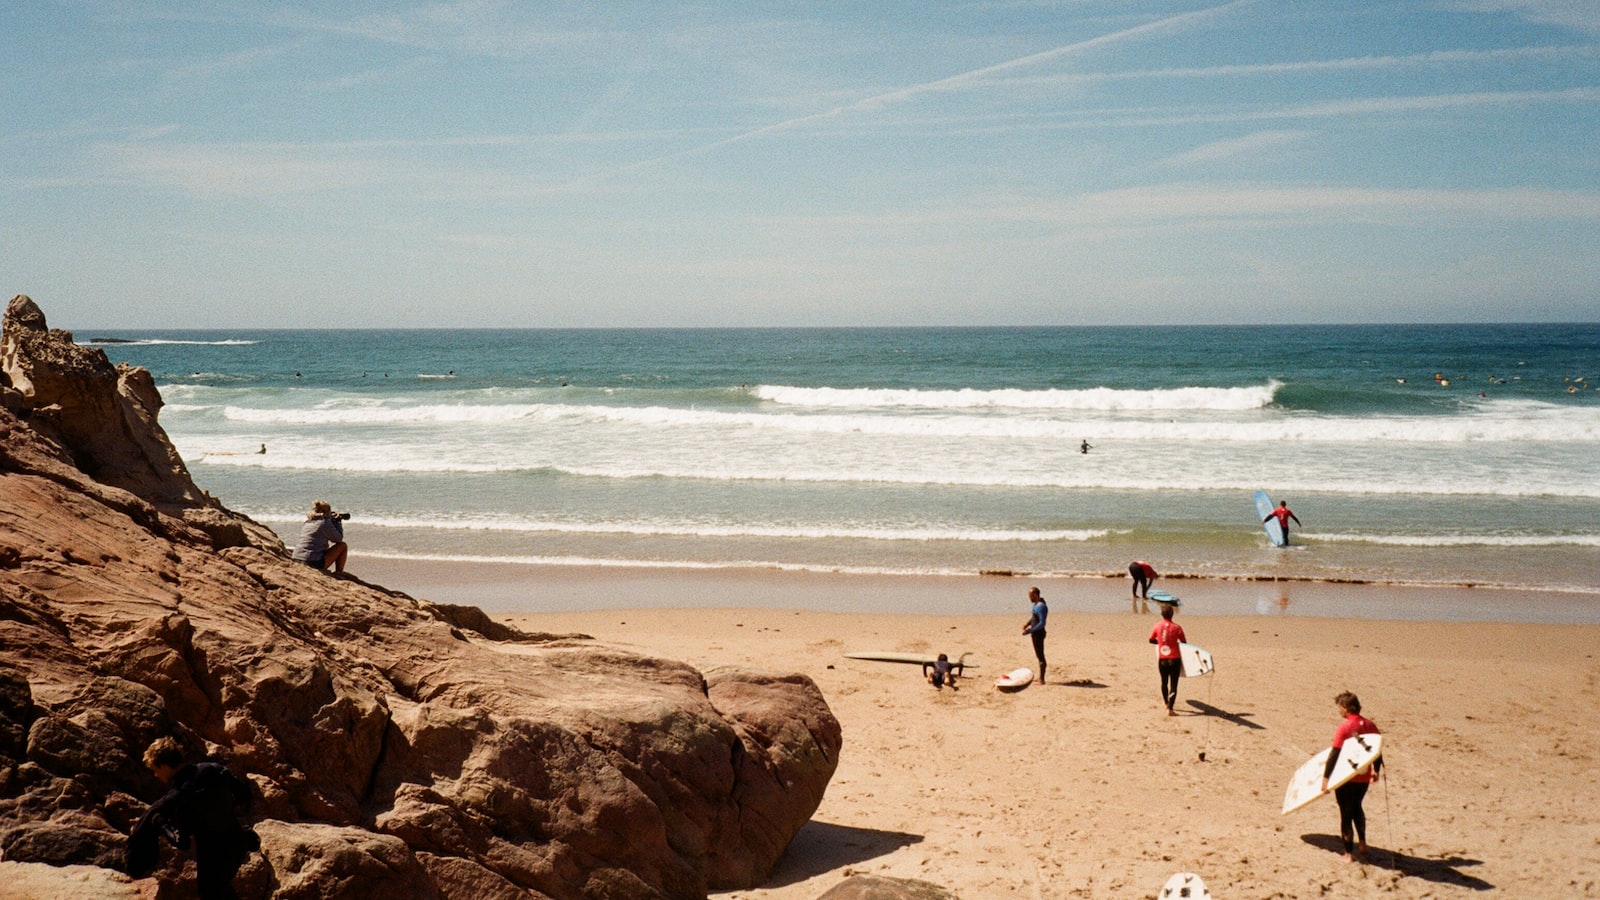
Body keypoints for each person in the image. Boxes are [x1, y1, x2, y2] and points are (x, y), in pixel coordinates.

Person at [126, 737, 258, 899]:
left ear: (165, 766)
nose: (155, 774)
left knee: (211, 893)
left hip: (213, 854)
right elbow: (243, 794)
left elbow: (182, 842)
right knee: (221, 891)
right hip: (237, 842)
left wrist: (160, 824)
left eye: (155, 769)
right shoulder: (214, 769)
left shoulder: (177, 797)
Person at [1320, 691, 1382, 862]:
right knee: (1357, 807)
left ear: (1346, 708)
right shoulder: (1370, 725)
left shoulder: (1345, 728)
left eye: (1339, 708)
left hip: (1346, 777)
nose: (1339, 711)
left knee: (1346, 813)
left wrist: (1326, 779)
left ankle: (1348, 854)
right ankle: (1362, 844)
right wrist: (1376, 770)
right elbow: (1377, 750)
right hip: (1363, 777)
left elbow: (1334, 754)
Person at [1147, 600, 1185, 715]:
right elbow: (1184, 642)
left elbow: (1151, 640)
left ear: (1162, 614)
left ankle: (1165, 703)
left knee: (1164, 682)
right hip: (1174, 660)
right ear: (1172, 614)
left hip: (1162, 659)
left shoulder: (1157, 626)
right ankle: (1171, 709)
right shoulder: (1177, 628)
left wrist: (1161, 642)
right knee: (1173, 684)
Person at [292, 500, 349, 574]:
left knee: (324, 547)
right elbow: (338, 539)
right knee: (342, 546)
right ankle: (339, 573)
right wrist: (338, 522)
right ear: (327, 512)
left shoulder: (308, 522)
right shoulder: (324, 523)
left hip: (297, 557)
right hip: (311, 562)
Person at [1022, 586, 1048, 684]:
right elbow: (1034, 617)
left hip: (1039, 633)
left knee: (1041, 656)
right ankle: (1040, 677)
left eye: (1031, 596)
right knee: (1038, 655)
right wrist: (1027, 624)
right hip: (1035, 632)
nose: (1030, 598)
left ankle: (1042, 679)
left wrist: (1030, 630)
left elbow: (1042, 623)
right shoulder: (1036, 604)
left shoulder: (1041, 606)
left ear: (1036, 595)